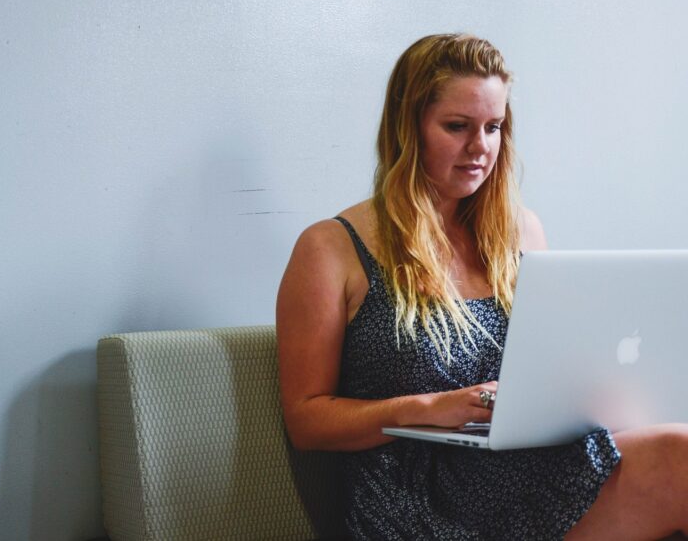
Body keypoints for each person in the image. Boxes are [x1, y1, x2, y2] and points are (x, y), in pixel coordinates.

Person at [276, 33, 688, 540]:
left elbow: (554, 367)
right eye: (457, 126)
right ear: (409, 130)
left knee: (679, 448)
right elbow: (306, 420)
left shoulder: (521, 233)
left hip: (533, 472)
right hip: (415, 498)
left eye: (493, 127)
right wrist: (427, 408)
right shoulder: (330, 248)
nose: (481, 147)